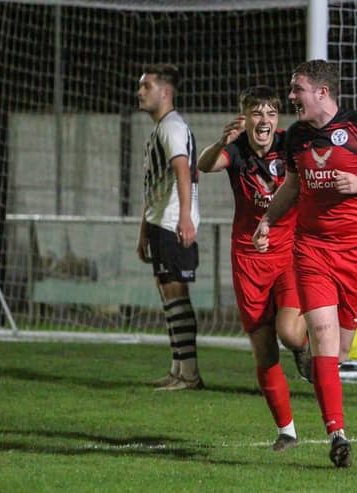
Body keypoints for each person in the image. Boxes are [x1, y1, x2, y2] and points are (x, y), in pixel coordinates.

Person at [252, 60, 357, 467]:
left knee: (337, 349)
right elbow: (291, 185)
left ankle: (309, 358)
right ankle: (337, 434)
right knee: (323, 336)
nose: (291, 97)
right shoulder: (297, 138)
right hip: (312, 250)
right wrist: (268, 220)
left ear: (322, 92)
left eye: (297, 89)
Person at [198, 86, 310, 452]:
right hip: (248, 258)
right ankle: (287, 430)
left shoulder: (291, 143)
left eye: (271, 113)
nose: (264, 121)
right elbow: (205, 164)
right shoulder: (235, 149)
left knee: (290, 333)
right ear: (245, 117)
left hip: (289, 253)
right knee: (264, 351)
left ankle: (303, 347)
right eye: (256, 113)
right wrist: (220, 142)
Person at [136, 64, 203, 391]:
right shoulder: (161, 128)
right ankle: (179, 370)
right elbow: (153, 185)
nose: (140, 91)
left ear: (165, 92)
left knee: (177, 294)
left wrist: (186, 217)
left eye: (146, 86)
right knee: (168, 294)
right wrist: (144, 230)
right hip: (161, 222)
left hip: (174, 222)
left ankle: (189, 373)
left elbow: (183, 171)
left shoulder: (172, 127)